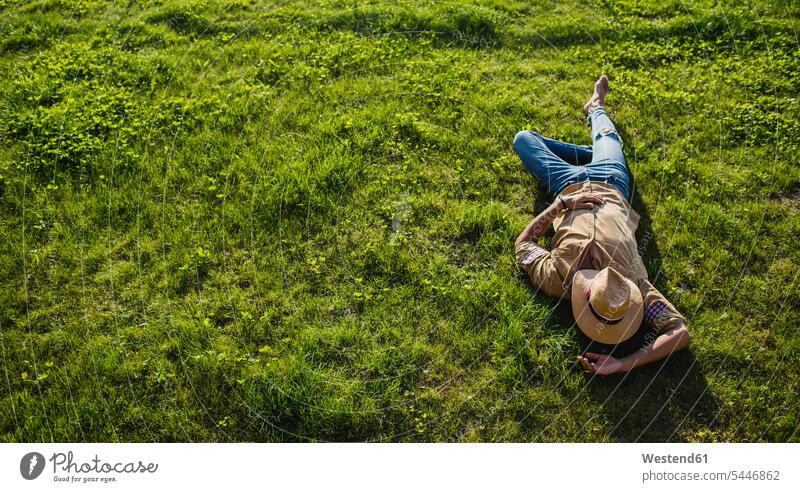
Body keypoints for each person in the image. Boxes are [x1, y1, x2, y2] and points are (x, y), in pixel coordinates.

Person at [512, 75, 691, 376]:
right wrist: (623, 363)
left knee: (524, 139)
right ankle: (596, 107)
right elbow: (680, 331)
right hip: (612, 180)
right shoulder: (634, 286)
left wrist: (561, 206)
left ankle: (594, 150)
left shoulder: (557, 280)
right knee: (606, 135)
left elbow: (523, 245)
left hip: (566, 186)